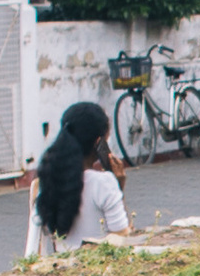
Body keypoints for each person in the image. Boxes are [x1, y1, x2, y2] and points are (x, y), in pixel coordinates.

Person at [25, 100, 129, 257]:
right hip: (99, 272)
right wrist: (120, 187)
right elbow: (123, 236)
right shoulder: (104, 183)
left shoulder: (47, 180)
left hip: (62, 269)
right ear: (98, 143)